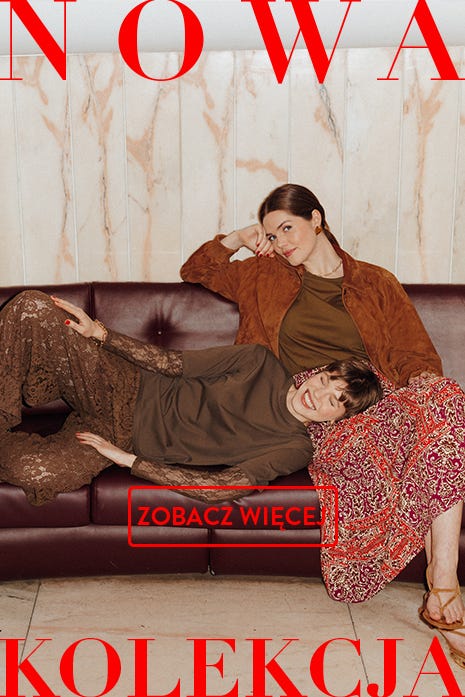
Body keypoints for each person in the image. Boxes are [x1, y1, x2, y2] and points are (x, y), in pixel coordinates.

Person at [180, 182, 465, 669]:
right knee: (413, 437)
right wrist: (242, 237)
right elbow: (196, 270)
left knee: (446, 401)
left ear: (317, 219)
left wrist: (419, 390)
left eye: (287, 228)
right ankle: (442, 595)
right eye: (272, 234)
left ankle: (443, 580)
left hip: (374, 396)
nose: (281, 242)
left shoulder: (376, 282)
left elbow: (415, 354)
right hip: (314, 405)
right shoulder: (262, 275)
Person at [0, 290, 382, 510]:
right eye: (325, 380)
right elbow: (170, 363)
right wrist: (101, 334)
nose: (318, 395)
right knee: (32, 305)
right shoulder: (259, 362)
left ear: (336, 419)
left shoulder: (295, 448)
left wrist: (127, 459)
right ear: (315, 373)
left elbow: (220, 488)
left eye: (334, 401)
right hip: (120, 384)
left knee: (35, 473)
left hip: (116, 438)